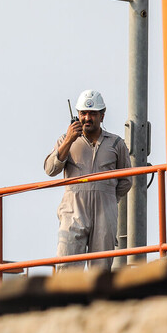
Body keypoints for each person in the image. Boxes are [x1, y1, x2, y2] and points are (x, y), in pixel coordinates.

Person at [44, 90, 132, 271]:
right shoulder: (65, 140)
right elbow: (50, 169)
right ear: (77, 115)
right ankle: (67, 300)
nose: (87, 118)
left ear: (102, 115)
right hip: (73, 210)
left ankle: (98, 300)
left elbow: (126, 180)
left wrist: (107, 197)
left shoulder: (116, 143)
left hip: (105, 212)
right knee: (67, 265)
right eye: (83, 113)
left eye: (92, 113)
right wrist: (69, 139)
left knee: (100, 271)